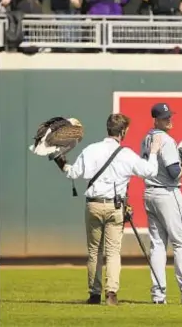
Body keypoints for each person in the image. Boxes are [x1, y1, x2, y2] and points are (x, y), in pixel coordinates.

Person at [54, 113, 162, 306]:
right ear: (122, 131)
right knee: (113, 251)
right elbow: (150, 171)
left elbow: (73, 172)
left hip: (94, 204)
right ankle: (111, 293)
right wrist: (153, 152)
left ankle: (94, 294)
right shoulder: (126, 154)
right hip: (115, 206)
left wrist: (59, 159)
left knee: (94, 251)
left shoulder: (91, 149)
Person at [141, 103, 182, 305]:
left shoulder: (147, 138)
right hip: (168, 194)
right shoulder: (167, 141)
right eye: (164, 117)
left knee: (158, 246)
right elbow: (173, 173)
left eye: (169, 116)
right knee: (181, 243)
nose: (169, 120)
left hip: (150, 193)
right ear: (156, 119)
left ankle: (158, 295)